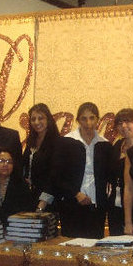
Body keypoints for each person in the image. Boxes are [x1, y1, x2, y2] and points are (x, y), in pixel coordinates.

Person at [51, 102, 112, 239]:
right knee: (71, 243)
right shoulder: (66, 142)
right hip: (71, 204)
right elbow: (57, 175)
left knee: (94, 244)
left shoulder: (104, 144)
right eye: (84, 118)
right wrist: (76, 193)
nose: (88, 123)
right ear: (78, 120)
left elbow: (108, 176)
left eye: (92, 118)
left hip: (97, 206)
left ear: (98, 120)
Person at [22, 103, 60, 212]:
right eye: (33, 119)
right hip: (30, 196)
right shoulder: (31, 141)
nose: (36, 122)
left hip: (48, 199)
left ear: (48, 120)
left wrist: (42, 203)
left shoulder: (57, 143)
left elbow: (55, 176)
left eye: (41, 118)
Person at [107, 108, 133, 235]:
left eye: (127, 121)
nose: (124, 126)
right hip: (116, 202)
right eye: (120, 123)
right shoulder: (117, 146)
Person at [0, 148, 33, 225]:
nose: (5, 164)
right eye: (1, 161)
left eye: (9, 162)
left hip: (15, 228)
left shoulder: (21, 185)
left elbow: (28, 211)